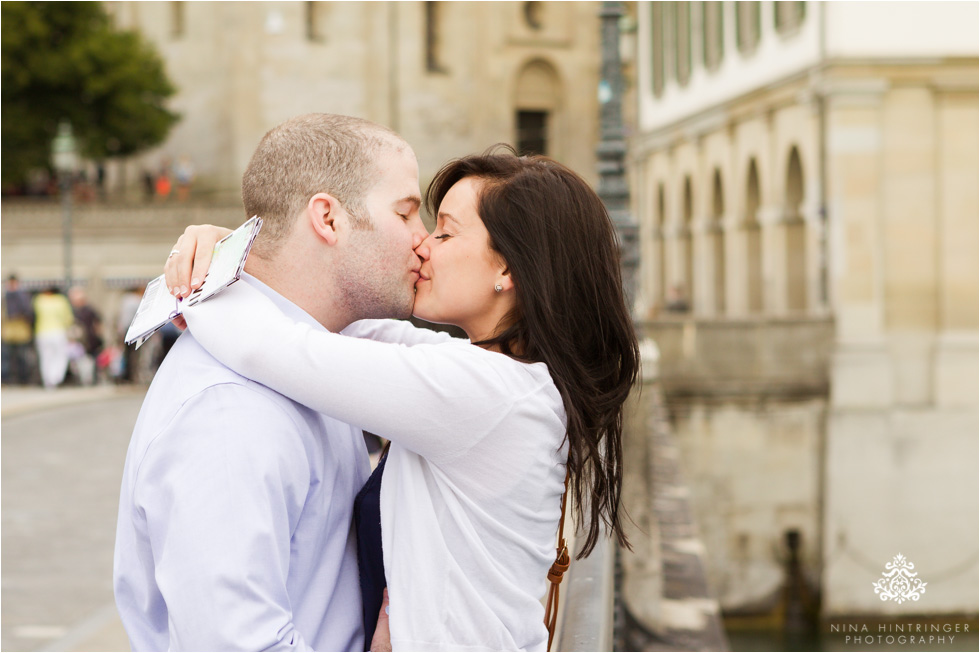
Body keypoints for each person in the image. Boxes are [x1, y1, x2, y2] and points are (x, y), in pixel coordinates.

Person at [167, 149, 639, 651]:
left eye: (445, 231)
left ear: (508, 268)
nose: (422, 245)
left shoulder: (483, 394)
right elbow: (351, 324)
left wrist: (199, 285)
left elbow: (279, 350)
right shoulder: (505, 382)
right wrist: (247, 252)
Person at [113, 114, 428, 651]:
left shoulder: (312, 356)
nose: (423, 242)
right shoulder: (230, 412)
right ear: (328, 219)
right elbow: (237, 643)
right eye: (407, 214)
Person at [32, 286, 75, 389]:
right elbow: (68, 318)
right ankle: (56, 378)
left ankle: (48, 381)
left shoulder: (38, 301)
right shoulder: (61, 301)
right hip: (58, 331)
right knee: (60, 355)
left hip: (41, 332)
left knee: (45, 357)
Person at [2, 274, 35, 385]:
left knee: (21, 356)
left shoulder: (22, 296)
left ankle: (22, 379)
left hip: (20, 330)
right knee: (7, 357)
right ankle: (8, 379)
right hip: (8, 331)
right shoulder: (5, 296)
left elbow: (28, 312)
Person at [68, 286, 103, 386]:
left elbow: (98, 323)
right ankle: (87, 380)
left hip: (88, 340)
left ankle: (91, 379)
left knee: (91, 359)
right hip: (84, 340)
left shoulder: (86, 310)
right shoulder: (78, 310)